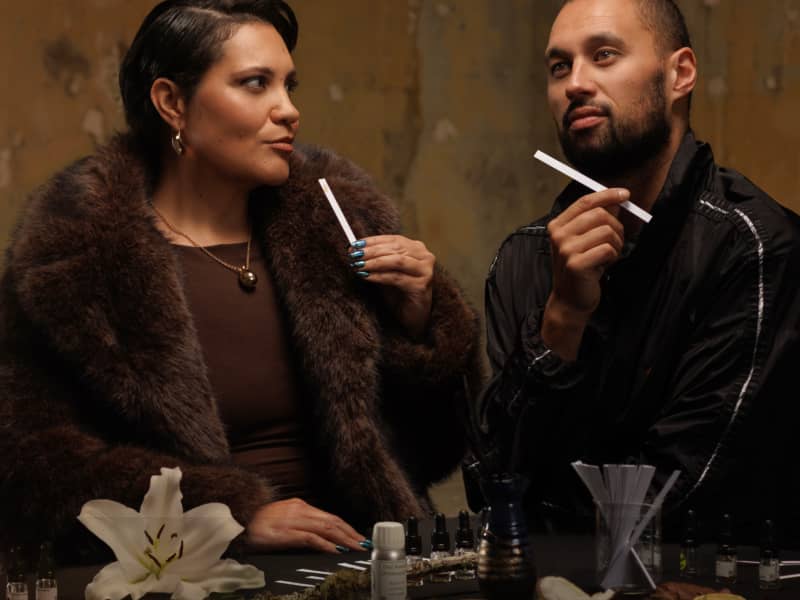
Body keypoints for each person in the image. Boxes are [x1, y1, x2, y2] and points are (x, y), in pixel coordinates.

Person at [0, 0, 482, 564]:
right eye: (256, 84)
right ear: (172, 103)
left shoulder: (337, 230)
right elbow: (30, 467)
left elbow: (435, 452)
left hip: (366, 563)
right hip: (189, 576)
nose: (289, 110)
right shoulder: (75, 263)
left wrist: (421, 325)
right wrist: (225, 518)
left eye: (289, 85)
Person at [477, 0, 800, 544]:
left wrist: (542, 508)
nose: (575, 83)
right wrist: (560, 322)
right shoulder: (523, 259)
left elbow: (679, 500)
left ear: (680, 74)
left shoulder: (755, 249)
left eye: (604, 55)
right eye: (559, 67)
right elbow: (494, 487)